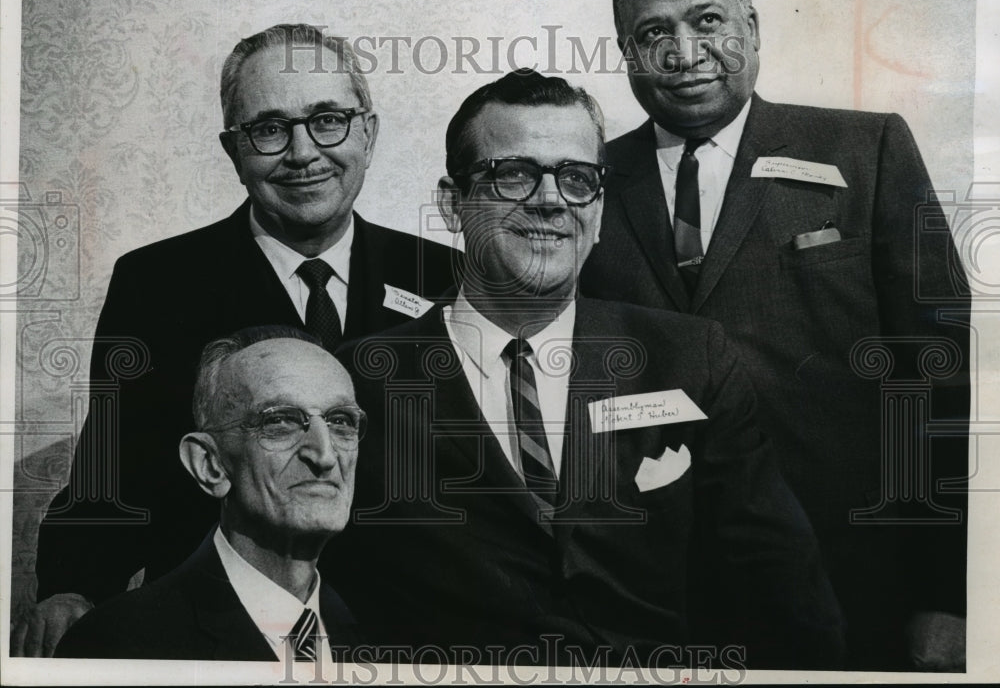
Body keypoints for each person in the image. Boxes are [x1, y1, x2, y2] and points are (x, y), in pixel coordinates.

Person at [328, 70, 845, 669]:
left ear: (598, 211)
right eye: (513, 175)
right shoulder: (362, 381)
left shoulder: (688, 359)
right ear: (452, 204)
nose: (550, 201)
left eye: (576, 179)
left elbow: (783, 589)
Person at [577, 0, 970, 671]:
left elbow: (943, 382)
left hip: (856, 583)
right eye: (652, 31)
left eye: (708, 20)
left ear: (753, 26)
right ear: (624, 50)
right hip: (647, 599)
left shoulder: (868, 151)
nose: (684, 52)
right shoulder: (580, 179)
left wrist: (948, 593)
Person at [19, 24, 458, 656]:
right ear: (233, 149)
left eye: (328, 119)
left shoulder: (441, 275)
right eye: (270, 129)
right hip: (221, 628)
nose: (303, 153)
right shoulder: (158, 281)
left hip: (407, 626)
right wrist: (73, 589)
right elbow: (114, 466)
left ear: (368, 131)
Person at [53, 326, 361, 661]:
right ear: (209, 464)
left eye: (341, 421)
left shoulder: (381, 634)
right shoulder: (119, 644)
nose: (325, 455)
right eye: (281, 421)